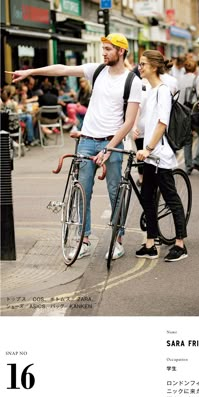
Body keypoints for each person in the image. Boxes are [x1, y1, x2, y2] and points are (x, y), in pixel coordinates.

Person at [8, 33, 142, 260]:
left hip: (112, 143)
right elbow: (61, 69)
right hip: (87, 140)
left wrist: (109, 148)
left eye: (108, 49)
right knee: (82, 191)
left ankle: (117, 241)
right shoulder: (97, 70)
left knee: (114, 193)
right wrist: (31, 72)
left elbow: (129, 121)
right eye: (104, 49)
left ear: (121, 51)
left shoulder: (133, 82)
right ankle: (84, 239)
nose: (104, 52)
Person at [135, 50, 188, 262]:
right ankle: (150, 244)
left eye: (143, 64)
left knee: (171, 198)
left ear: (154, 67)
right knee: (147, 198)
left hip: (160, 156)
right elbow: (148, 120)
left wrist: (147, 148)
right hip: (149, 155)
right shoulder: (151, 89)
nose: (140, 67)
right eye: (140, 64)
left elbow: (162, 123)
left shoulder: (163, 90)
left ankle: (180, 244)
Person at [178, 59, 199, 175]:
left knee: (187, 140)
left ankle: (188, 166)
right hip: (195, 113)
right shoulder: (197, 78)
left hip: (183, 113)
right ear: (195, 68)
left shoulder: (180, 80)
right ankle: (197, 161)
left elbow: (179, 98)